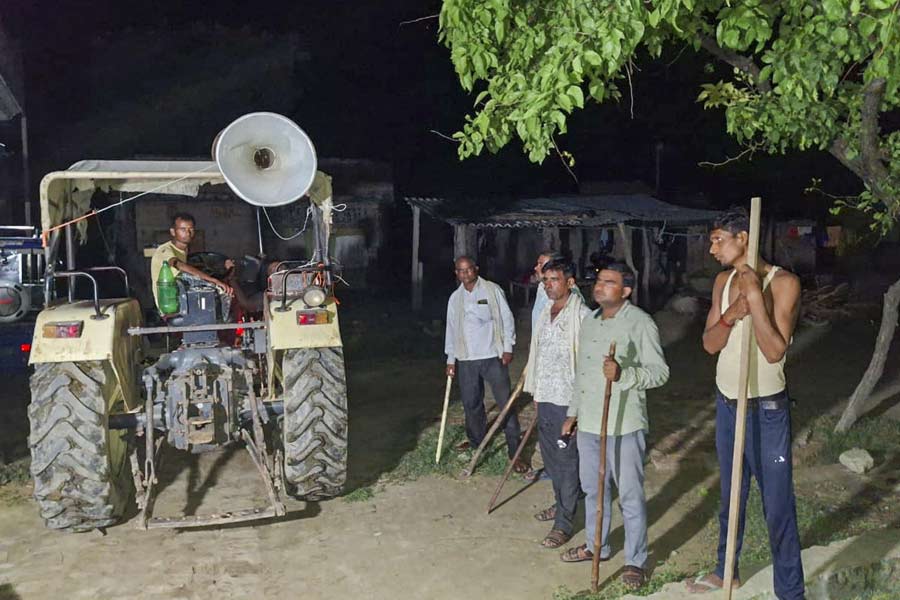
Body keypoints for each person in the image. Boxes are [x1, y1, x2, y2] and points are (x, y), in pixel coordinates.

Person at [686, 208, 804, 599]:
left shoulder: (783, 283)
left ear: (744, 238)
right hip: (727, 404)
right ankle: (726, 572)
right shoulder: (722, 281)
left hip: (766, 410)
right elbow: (708, 344)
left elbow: (774, 351)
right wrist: (732, 314)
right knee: (730, 496)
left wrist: (755, 297)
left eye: (719, 238)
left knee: (777, 506)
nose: (712, 247)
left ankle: (790, 591)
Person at [559, 263, 669, 592]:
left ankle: (635, 560)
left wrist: (625, 376)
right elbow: (584, 373)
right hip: (591, 422)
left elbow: (660, 372)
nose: (601, 286)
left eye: (610, 283)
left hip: (625, 423)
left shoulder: (640, 323)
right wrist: (573, 412)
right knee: (595, 491)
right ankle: (598, 547)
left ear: (625, 291)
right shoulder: (591, 321)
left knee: (631, 495)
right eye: (600, 281)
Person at [523, 257, 591, 549]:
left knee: (567, 462)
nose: (549, 285)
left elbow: (588, 365)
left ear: (570, 283)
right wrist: (536, 393)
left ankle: (563, 523)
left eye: (555, 280)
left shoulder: (583, 316)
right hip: (547, 398)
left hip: (568, 402)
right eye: (546, 280)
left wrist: (576, 412)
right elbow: (535, 354)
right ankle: (564, 502)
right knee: (550, 459)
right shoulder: (545, 313)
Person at [444, 256, 527, 472]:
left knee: (505, 404)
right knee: (471, 404)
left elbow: (506, 318)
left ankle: (514, 451)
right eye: (461, 271)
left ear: (476, 270)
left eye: (469, 270)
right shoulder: (455, 298)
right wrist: (451, 359)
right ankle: (477, 441)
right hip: (467, 359)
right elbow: (451, 331)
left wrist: (508, 347)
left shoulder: (492, 290)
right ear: (457, 273)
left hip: (492, 356)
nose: (465, 274)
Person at [150, 212, 233, 313]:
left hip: (183, 298)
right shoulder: (165, 250)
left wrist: (223, 267)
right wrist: (213, 280)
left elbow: (198, 268)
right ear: (173, 232)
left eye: (191, 229)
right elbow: (179, 265)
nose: (188, 233)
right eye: (183, 229)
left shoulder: (185, 250)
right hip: (171, 304)